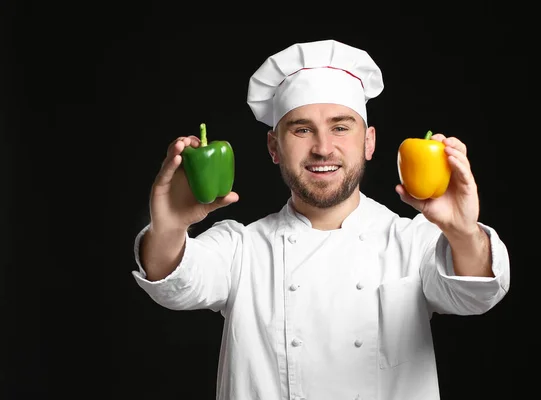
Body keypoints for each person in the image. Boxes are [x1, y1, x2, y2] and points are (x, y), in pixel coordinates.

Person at [132, 39, 510, 400]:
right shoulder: (241, 249)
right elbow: (175, 282)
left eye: (341, 127)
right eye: (301, 129)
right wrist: (170, 227)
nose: (323, 148)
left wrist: (463, 233)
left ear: (369, 142)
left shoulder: (413, 240)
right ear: (274, 147)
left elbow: (473, 295)